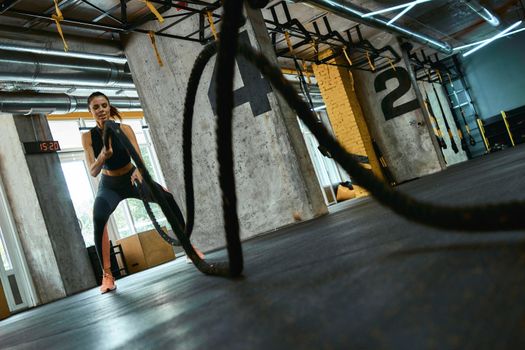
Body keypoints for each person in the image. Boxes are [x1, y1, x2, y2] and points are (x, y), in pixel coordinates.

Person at [82, 91, 203, 294]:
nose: (101, 110)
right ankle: (108, 275)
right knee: (98, 216)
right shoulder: (88, 137)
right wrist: (103, 156)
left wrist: (140, 173)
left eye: (104, 105)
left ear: (109, 107)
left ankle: (189, 249)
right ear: (90, 111)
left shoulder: (125, 129)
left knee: (167, 198)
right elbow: (93, 171)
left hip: (132, 178)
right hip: (109, 185)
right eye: (96, 107)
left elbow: (138, 158)